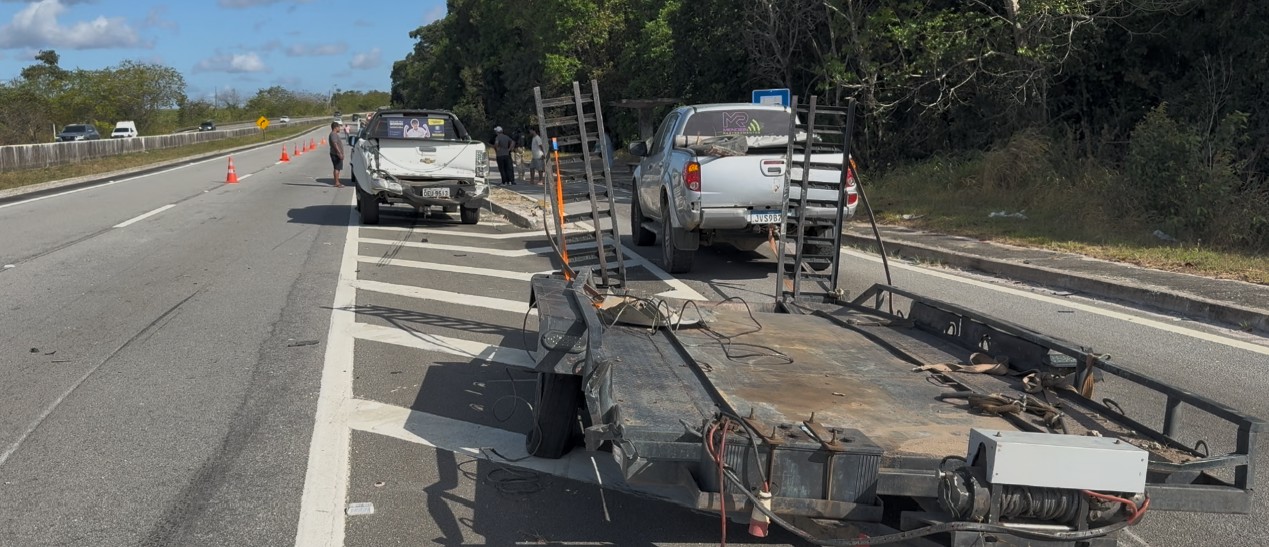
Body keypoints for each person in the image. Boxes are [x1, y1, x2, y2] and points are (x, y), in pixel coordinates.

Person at [329, 121, 345, 188]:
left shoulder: (334, 134)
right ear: (335, 128)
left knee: (337, 168)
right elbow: (335, 144)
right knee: (337, 168)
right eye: (339, 127)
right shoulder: (333, 134)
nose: (339, 129)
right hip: (336, 154)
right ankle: (337, 183)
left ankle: (337, 182)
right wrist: (339, 153)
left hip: (335, 153)